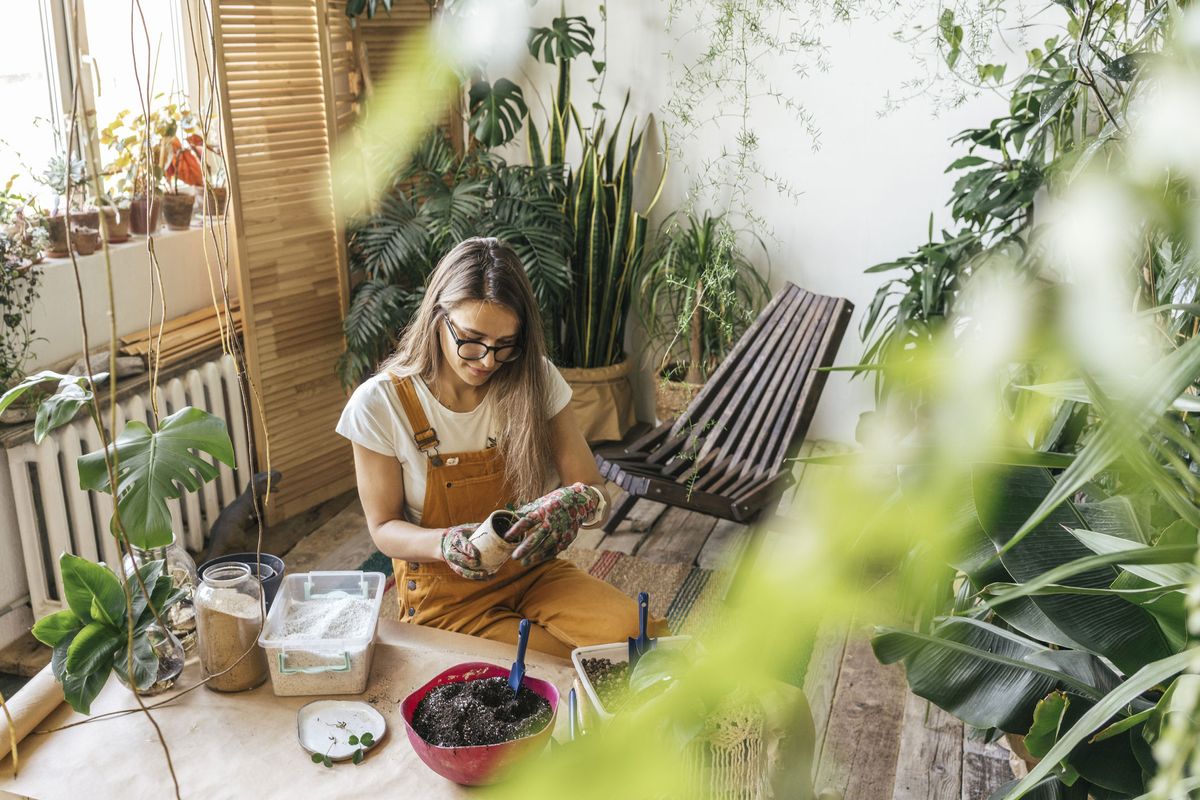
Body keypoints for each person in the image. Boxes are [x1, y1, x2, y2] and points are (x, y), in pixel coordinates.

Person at [336, 237, 668, 657]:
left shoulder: (534, 377)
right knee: (557, 662)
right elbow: (383, 527)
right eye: (471, 340)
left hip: (530, 572)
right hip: (447, 595)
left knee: (642, 640)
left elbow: (593, 491)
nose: (488, 361)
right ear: (438, 316)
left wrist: (578, 502)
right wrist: (444, 544)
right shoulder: (379, 403)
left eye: (505, 345)